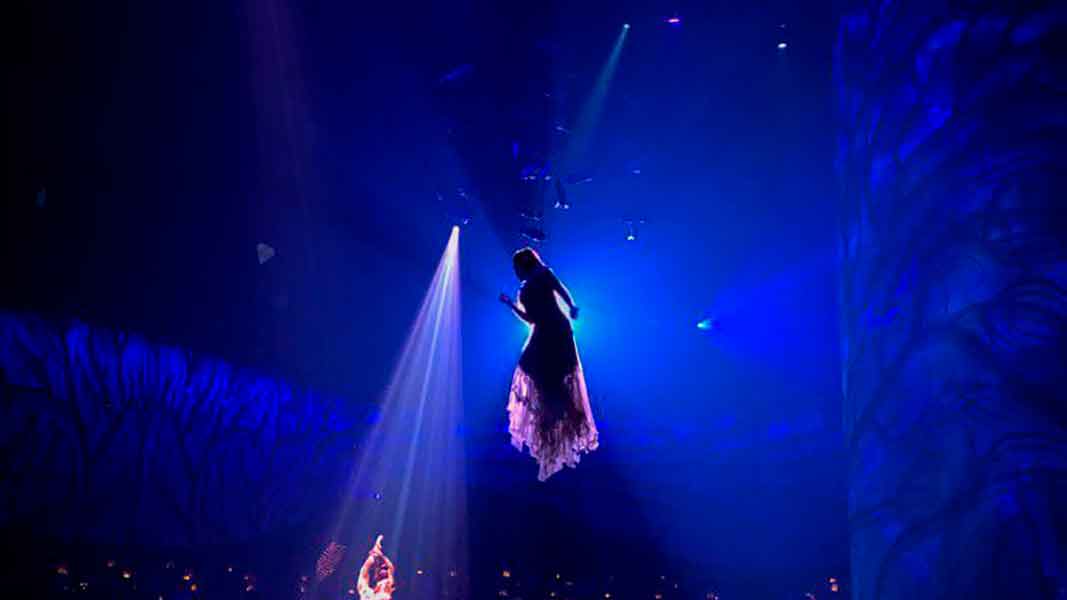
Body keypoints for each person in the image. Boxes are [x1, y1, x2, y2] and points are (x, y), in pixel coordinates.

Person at [499, 248, 598, 481]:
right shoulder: (524, 289)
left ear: (524, 264)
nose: (515, 272)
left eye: (516, 268)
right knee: (539, 376)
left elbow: (560, 289)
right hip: (543, 331)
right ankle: (556, 421)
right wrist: (511, 305)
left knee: (547, 376)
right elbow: (531, 320)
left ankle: (568, 417)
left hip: (556, 331)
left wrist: (572, 306)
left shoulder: (543, 275)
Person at [357, 535, 395, 600]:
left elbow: (391, 568)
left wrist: (380, 555)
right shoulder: (365, 592)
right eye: (382, 568)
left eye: (385, 569)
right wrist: (373, 556)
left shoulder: (386, 588)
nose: (384, 570)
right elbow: (364, 570)